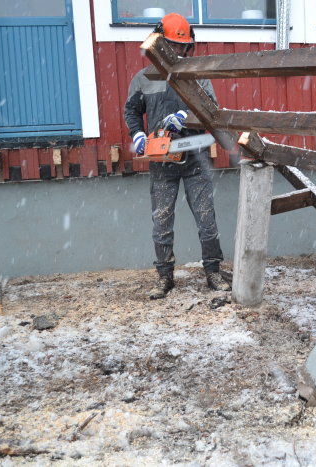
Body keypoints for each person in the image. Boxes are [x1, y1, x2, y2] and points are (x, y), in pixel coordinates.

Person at [124, 13, 231, 299]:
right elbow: (132, 111)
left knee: (206, 218)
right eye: (173, 45)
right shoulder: (143, 78)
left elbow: (212, 109)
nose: (179, 51)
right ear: (162, 43)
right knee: (162, 220)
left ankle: (213, 271)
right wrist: (137, 134)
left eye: (182, 46)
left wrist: (186, 115)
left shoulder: (196, 75)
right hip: (161, 161)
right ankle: (164, 276)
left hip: (194, 156)